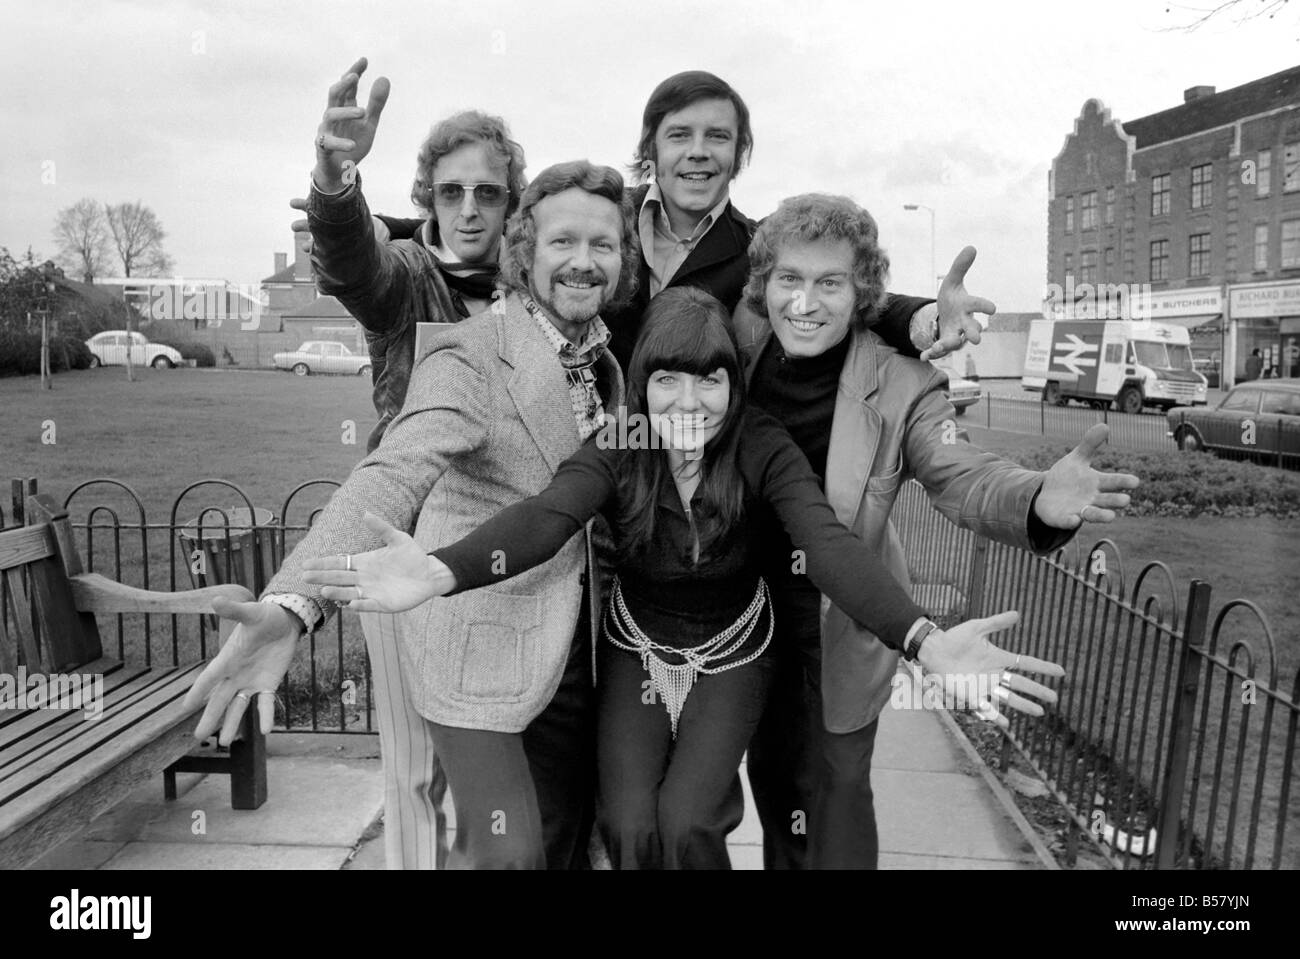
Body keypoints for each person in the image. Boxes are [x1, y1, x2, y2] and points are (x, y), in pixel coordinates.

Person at [301, 287, 1066, 869]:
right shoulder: (623, 440)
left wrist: (922, 638)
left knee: (688, 820)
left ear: (734, 384)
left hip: (735, 653)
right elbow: (547, 516)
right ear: (643, 382)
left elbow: (827, 544)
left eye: (711, 381)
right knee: (630, 823)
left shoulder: (759, 444)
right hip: (639, 648)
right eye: (668, 379)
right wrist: (442, 568)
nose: (689, 402)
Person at [185, 159, 638, 870]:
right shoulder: (470, 357)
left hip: (583, 645)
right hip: (478, 643)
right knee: (507, 852)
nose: (583, 262)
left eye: (602, 245)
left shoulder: (608, 363)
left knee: (570, 841)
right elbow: (388, 475)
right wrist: (295, 600)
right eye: (563, 242)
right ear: (524, 251)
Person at [739, 193, 1141, 869]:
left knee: (836, 794)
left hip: (840, 624)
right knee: (778, 786)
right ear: (764, 287)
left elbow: (959, 473)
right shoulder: (742, 345)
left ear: (861, 292)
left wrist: (1038, 496)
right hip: (744, 621)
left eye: (829, 283)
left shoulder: (904, 385)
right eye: (790, 280)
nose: (804, 303)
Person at [282, 59, 529, 870]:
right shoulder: (410, 280)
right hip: (402, 547)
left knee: (498, 783)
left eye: (486, 193)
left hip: (503, 563)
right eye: (450, 192)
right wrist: (334, 173)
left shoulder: (535, 293)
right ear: (427, 199)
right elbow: (354, 262)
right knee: (414, 774)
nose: (467, 209)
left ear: (510, 202)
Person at [604, 70, 993, 372]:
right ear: (650, 145)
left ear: (739, 153)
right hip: (598, 444)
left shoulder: (756, 246)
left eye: (718, 137)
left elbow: (847, 298)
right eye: (679, 135)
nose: (698, 152)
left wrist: (933, 319)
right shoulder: (603, 221)